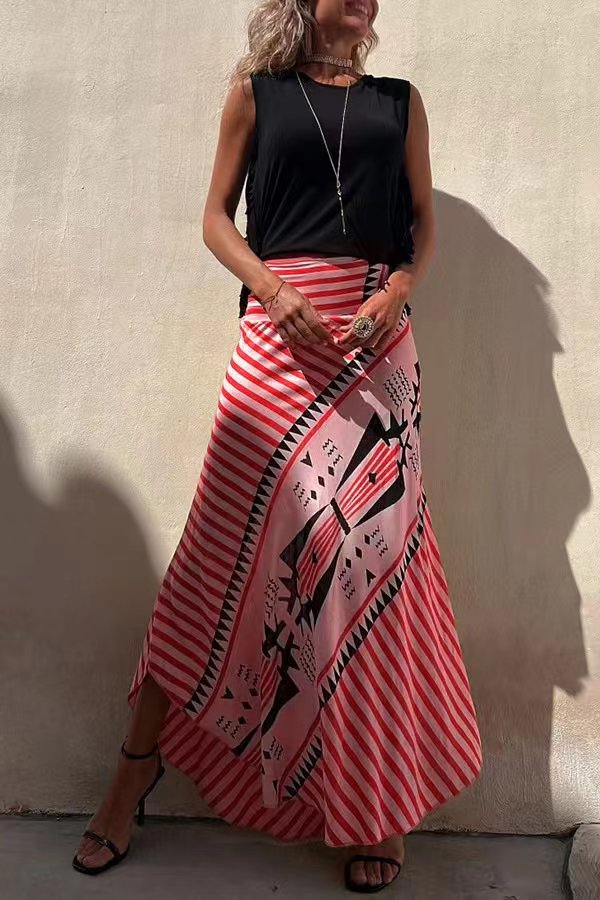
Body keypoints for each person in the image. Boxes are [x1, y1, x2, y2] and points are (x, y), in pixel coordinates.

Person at [72, 0, 483, 892]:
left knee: (371, 569)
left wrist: (398, 291)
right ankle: (132, 776)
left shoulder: (400, 101)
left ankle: (375, 804)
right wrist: (272, 290)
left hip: (377, 346)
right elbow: (216, 219)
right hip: (277, 341)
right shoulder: (255, 94)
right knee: (214, 561)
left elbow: (422, 222)